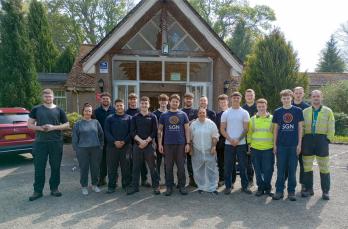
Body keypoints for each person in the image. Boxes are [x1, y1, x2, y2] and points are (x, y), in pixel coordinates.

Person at [28, 88, 70, 201]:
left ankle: (54, 188)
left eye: (50, 96)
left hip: (56, 142)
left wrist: (53, 127)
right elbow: (30, 125)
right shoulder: (36, 109)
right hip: (40, 143)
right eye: (46, 96)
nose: (48, 98)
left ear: (53, 97)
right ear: (43, 97)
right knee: (39, 167)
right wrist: (40, 128)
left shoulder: (59, 110)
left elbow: (67, 124)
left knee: (55, 167)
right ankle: (37, 191)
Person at [302, 90, 335, 200]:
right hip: (307, 140)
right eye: (314, 96)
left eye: (318, 96)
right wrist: (302, 139)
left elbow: (331, 125)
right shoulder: (305, 111)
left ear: (322, 98)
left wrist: (328, 139)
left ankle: (325, 191)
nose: (316, 98)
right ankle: (308, 189)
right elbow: (301, 127)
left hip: (322, 140)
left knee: (324, 167)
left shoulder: (328, 111)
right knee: (307, 166)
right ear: (310, 98)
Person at [272, 89, 304, 201]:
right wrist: (274, 145)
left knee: (292, 169)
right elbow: (276, 129)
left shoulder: (298, 110)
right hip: (281, 145)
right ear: (281, 99)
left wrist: (299, 144)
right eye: (284, 98)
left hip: (294, 145)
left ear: (292, 97)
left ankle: (291, 192)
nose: (286, 100)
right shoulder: (277, 111)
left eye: (288, 98)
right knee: (280, 169)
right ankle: (279, 191)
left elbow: (300, 128)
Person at [158, 94, 190, 196]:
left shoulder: (183, 114)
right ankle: (169, 187)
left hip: (180, 144)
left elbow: (187, 129)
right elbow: (160, 130)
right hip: (168, 145)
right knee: (168, 167)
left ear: (179, 103)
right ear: (170, 102)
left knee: (181, 167)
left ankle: (182, 186)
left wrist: (188, 143)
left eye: (177, 101)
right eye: (173, 101)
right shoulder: (164, 115)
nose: (175, 103)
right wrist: (160, 144)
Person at [127, 96, 160, 195]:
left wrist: (146, 141)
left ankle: (156, 186)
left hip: (149, 146)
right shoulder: (135, 117)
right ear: (139, 105)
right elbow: (132, 132)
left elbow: (155, 131)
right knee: (135, 167)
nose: (144, 105)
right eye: (142, 103)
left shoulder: (153, 116)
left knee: (152, 167)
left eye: (146, 103)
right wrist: (141, 141)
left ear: (148, 105)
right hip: (137, 146)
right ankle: (135, 187)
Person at [220, 92, 251, 195]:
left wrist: (238, 139)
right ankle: (228, 186)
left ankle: (245, 186)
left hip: (241, 143)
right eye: (234, 98)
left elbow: (246, 129)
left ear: (240, 99)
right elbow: (222, 129)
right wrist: (230, 139)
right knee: (228, 166)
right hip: (228, 144)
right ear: (231, 99)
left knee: (243, 166)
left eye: (238, 98)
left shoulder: (244, 112)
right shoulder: (226, 113)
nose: (236, 99)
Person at [72, 103, 104, 195]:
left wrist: (101, 146)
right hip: (82, 150)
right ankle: (84, 186)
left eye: (89, 111)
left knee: (95, 168)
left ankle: (94, 185)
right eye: (86, 110)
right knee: (84, 168)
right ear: (83, 111)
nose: (88, 112)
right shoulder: (78, 124)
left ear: (91, 112)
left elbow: (101, 135)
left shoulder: (96, 122)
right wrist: (76, 149)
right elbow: (74, 138)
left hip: (95, 149)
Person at [247, 99, 274, 197]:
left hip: (268, 149)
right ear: (257, 107)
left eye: (263, 106)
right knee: (257, 170)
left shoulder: (272, 118)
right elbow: (249, 133)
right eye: (259, 107)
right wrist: (249, 145)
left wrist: (275, 146)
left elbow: (275, 134)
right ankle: (260, 188)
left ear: (266, 106)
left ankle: (268, 188)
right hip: (255, 149)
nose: (261, 108)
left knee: (268, 170)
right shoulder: (252, 119)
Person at [104, 99, 132, 193]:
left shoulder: (129, 118)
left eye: (121, 105)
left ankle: (126, 185)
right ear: (115, 107)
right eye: (118, 105)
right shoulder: (110, 118)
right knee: (112, 167)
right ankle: (111, 186)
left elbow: (131, 132)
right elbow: (107, 132)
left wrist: (124, 141)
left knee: (126, 168)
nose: (119, 107)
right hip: (112, 147)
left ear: (124, 106)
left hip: (126, 147)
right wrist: (114, 141)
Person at [286, 86, 310, 193]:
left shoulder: (307, 107)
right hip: (289, 140)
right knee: (288, 163)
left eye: (300, 93)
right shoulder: (288, 106)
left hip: (304, 140)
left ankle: (303, 184)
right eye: (296, 93)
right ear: (293, 94)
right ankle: (285, 184)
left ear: (303, 94)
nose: (298, 95)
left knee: (303, 163)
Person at [190, 108, 219, 194]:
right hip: (197, 149)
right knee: (198, 169)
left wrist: (213, 147)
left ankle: (212, 187)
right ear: (197, 114)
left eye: (203, 113)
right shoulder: (193, 124)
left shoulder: (211, 123)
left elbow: (215, 136)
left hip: (209, 149)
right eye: (200, 113)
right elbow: (190, 138)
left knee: (212, 169)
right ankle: (201, 186)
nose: (202, 114)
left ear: (206, 114)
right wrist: (191, 149)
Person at [126, 93, 150, 187]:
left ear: (137, 101)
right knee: (132, 162)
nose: (133, 101)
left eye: (134, 99)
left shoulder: (141, 111)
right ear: (128, 101)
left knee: (143, 162)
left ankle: (144, 180)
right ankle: (133, 181)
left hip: (142, 142)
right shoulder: (126, 112)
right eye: (131, 99)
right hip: (130, 141)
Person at [93, 92, 115, 187]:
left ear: (110, 100)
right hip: (100, 140)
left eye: (107, 99)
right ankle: (102, 179)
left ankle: (114, 180)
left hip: (112, 139)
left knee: (113, 161)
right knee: (101, 161)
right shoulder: (96, 112)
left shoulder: (114, 110)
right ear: (101, 100)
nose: (105, 100)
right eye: (104, 99)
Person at [181, 92, 198, 187]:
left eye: (190, 98)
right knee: (181, 162)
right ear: (184, 100)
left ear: (192, 100)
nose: (188, 100)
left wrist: (186, 123)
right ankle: (181, 181)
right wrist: (190, 122)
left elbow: (198, 123)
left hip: (193, 141)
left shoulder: (196, 111)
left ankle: (192, 180)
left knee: (191, 162)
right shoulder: (180, 111)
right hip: (182, 140)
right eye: (187, 98)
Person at [215, 94, 231, 186]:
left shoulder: (231, 112)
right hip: (220, 142)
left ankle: (230, 181)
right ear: (219, 104)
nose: (223, 103)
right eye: (221, 102)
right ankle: (222, 179)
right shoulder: (218, 115)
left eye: (224, 102)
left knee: (230, 162)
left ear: (227, 102)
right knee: (220, 162)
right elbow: (216, 128)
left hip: (230, 140)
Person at [242, 89, 257, 187]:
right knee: (247, 162)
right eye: (247, 95)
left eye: (251, 95)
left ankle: (260, 181)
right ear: (245, 97)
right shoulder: (242, 108)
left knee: (256, 161)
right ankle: (249, 180)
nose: (249, 97)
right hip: (244, 138)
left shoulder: (259, 107)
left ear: (254, 96)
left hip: (257, 138)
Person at [153, 94, 169, 182]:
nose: (163, 102)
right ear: (159, 102)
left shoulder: (170, 113)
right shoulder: (154, 114)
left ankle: (168, 179)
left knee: (168, 162)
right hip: (157, 141)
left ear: (167, 102)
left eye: (165, 100)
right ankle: (157, 180)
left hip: (168, 142)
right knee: (157, 162)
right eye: (161, 100)